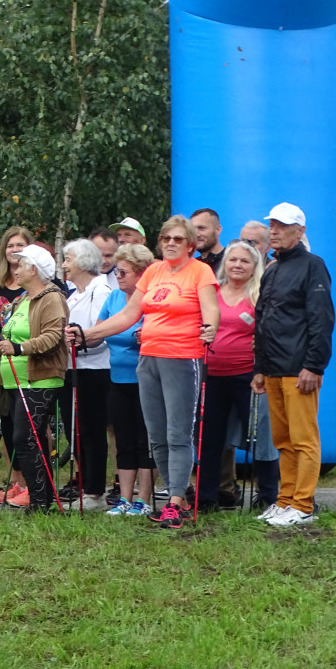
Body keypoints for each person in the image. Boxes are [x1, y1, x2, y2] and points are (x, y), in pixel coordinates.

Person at [67, 215, 219, 530]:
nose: (172, 244)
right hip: (147, 360)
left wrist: (210, 327)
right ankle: (177, 498)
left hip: (181, 357)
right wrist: (87, 334)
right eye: (167, 239)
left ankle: (175, 502)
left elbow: (211, 307)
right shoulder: (153, 272)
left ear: (190, 244)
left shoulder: (199, 271)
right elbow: (127, 315)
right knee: (157, 437)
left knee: (178, 434)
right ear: (160, 243)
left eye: (179, 239)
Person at [252, 203, 334, 527]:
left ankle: (303, 504)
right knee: (283, 441)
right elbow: (261, 321)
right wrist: (259, 367)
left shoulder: (313, 265)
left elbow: (321, 319)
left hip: (299, 369)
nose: (274, 231)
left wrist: (314, 365)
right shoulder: (271, 269)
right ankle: (285, 501)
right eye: (271, 225)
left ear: (300, 231)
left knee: (304, 440)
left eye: (282, 226)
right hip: (273, 369)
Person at [0, 245, 68, 512]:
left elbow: (53, 337)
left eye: (22, 264)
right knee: (26, 440)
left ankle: (39, 501)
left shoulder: (51, 298)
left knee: (26, 440)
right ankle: (43, 499)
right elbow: (6, 339)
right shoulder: (22, 299)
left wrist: (19, 349)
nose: (16, 268)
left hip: (39, 379)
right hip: (13, 381)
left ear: (34, 269)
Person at [197, 241, 278, 512]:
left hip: (249, 377)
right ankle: (206, 498)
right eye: (233, 260)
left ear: (255, 266)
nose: (237, 265)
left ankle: (267, 497)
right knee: (210, 439)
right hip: (213, 375)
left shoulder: (260, 295)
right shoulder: (213, 292)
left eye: (244, 261)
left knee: (261, 438)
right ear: (225, 263)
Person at [94, 244, 154, 517]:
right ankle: (125, 499)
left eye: (124, 272)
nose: (117, 276)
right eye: (117, 271)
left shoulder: (150, 300)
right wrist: (78, 335)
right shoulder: (115, 299)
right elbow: (100, 329)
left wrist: (149, 335)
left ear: (141, 274)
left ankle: (144, 499)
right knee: (123, 439)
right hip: (117, 379)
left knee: (145, 440)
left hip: (146, 379)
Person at [59, 238, 112, 510]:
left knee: (90, 430)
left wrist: (77, 339)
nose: (65, 264)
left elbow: (97, 334)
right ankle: (85, 485)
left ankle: (94, 492)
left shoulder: (99, 291)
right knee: (76, 431)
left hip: (93, 370)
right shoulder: (73, 292)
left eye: (68, 259)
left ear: (82, 261)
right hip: (71, 369)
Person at [0, 225, 35, 505]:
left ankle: (35, 482)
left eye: (21, 245)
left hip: (29, 364)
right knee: (7, 423)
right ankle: (17, 482)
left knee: (30, 426)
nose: (15, 251)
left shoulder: (40, 287)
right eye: (10, 245)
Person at [191, 208, 225, 272]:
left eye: (201, 228)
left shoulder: (231, 261)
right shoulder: (192, 266)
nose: (196, 234)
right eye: (192, 229)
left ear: (218, 230)